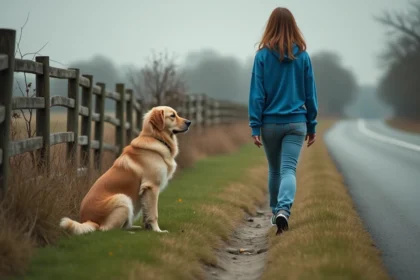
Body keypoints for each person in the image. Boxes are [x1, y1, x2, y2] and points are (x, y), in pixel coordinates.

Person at [248, 7, 318, 235]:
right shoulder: (304, 57)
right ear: (293, 26)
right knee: (289, 169)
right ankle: (283, 211)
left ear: (270, 26)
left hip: (269, 124)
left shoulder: (261, 56)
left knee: (274, 170)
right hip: (297, 122)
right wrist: (312, 124)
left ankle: (274, 211)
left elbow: (257, 95)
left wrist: (255, 125)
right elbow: (310, 94)